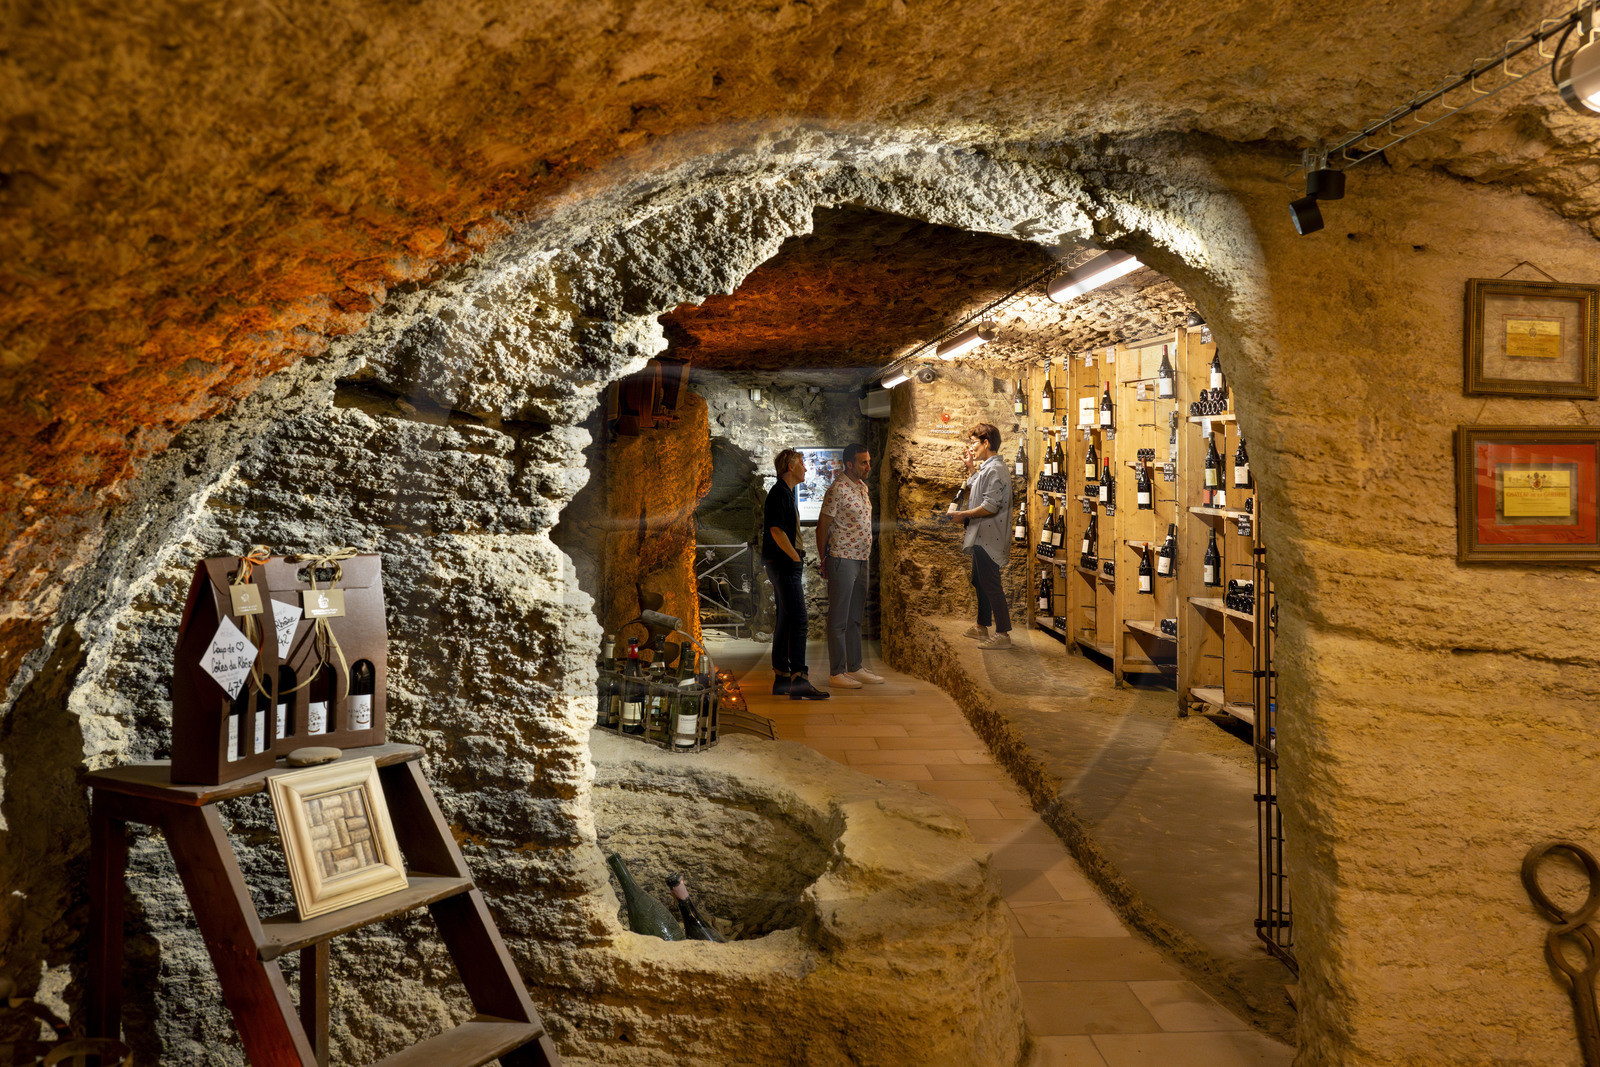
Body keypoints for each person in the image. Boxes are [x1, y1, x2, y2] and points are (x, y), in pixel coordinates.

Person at [763, 449, 829, 700]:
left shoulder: (785, 492)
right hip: (784, 563)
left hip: (781, 563)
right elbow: (776, 531)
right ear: (790, 467)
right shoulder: (780, 492)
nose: (806, 468)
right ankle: (799, 679)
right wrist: (794, 557)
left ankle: (781, 678)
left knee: (786, 619)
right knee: (799, 619)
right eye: (802, 463)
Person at [817, 443, 882, 689]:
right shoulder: (837, 489)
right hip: (842, 558)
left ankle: (855, 666)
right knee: (838, 619)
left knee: (855, 617)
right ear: (849, 464)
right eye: (863, 462)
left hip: (861, 559)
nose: (868, 466)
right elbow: (823, 526)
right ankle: (837, 672)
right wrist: (825, 559)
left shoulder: (862, 487)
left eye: (868, 461)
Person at [947, 422, 1015, 650]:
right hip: (980, 535)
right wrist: (970, 468)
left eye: (974, 442)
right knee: (980, 581)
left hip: (989, 536)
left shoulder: (995, 469)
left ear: (986, 443)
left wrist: (961, 514)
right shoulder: (988, 468)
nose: (972, 447)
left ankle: (1003, 634)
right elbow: (979, 486)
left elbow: (991, 505)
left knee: (991, 583)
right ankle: (981, 626)